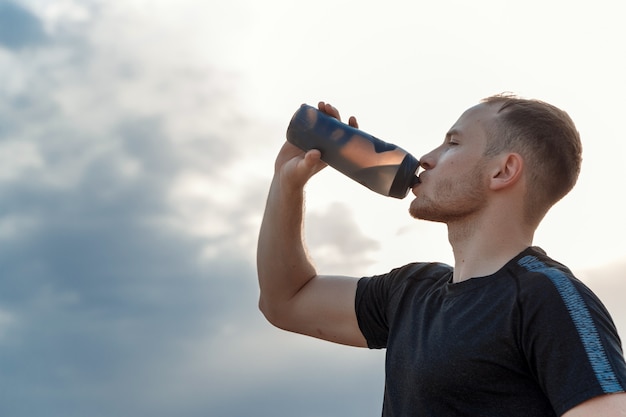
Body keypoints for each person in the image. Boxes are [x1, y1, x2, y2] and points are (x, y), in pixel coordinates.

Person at [256, 95, 626, 416]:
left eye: (452, 143)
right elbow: (286, 300)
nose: (425, 159)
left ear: (504, 171)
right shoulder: (411, 291)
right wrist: (287, 181)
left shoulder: (547, 297)